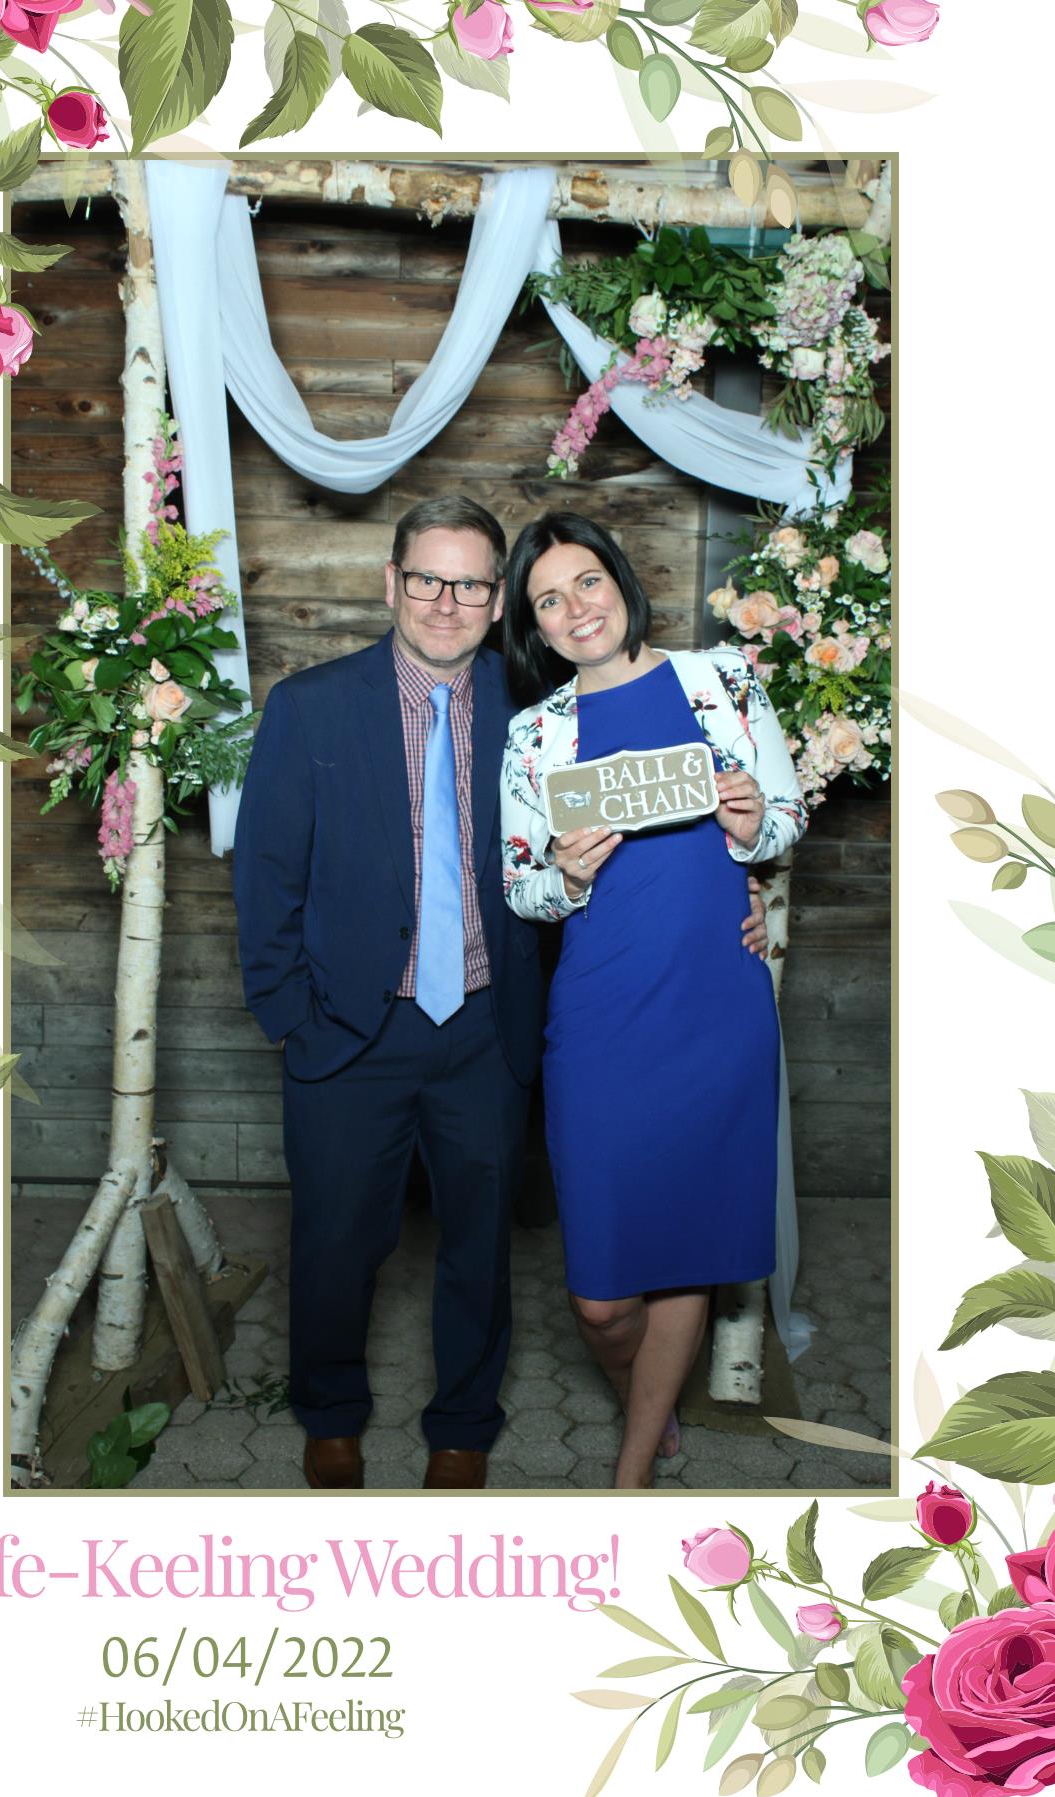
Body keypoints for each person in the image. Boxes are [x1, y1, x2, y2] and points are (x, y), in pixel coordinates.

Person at [233, 495, 768, 1492]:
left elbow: (674, 824)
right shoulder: (310, 707)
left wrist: (748, 887)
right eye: (427, 580)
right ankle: (331, 1413)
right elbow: (266, 876)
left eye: (472, 584)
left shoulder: (540, 710)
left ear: (496, 603)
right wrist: (290, 1019)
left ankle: (465, 1426)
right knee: (337, 1240)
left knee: (478, 1247)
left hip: (487, 1027)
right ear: (391, 584)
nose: (447, 602)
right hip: (349, 1030)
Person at [499, 511, 807, 1490]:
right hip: (601, 1017)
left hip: (716, 1004)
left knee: (690, 1246)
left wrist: (754, 829)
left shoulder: (723, 682)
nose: (576, 609)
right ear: (535, 627)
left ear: (622, 581)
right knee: (601, 1301)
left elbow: (786, 817)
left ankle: (633, 1467)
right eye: (549, 600)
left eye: (587, 582)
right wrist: (565, 873)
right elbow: (520, 890)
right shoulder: (535, 735)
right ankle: (646, 1394)